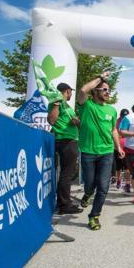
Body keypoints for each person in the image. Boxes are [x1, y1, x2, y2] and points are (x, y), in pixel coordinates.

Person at [77, 72, 125, 231]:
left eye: (108, 90)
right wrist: (101, 77)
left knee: (103, 186)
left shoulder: (112, 110)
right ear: (95, 91)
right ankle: (87, 194)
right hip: (88, 151)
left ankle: (94, 215)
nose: (107, 92)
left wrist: (118, 147)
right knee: (90, 184)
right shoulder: (87, 105)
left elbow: (113, 130)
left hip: (107, 152)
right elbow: (83, 90)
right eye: (104, 89)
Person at [47, 82, 83, 215]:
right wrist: (56, 104)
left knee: (68, 173)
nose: (71, 94)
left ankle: (63, 201)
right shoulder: (56, 103)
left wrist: (77, 122)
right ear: (67, 91)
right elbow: (51, 120)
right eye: (70, 92)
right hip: (65, 140)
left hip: (71, 140)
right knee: (67, 174)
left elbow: (76, 123)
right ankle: (64, 205)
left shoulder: (67, 106)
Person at [114, 108, 131, 193]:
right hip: (117, 147)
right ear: (120, 116)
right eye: (123, 116)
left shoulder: (130, 120)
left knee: (128, 168)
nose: (124, 117)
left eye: (126, 116)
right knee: (118, 167)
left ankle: (128, 184)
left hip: (127, 147)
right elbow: (114, 133)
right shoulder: (116, 121)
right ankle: (118, 180)